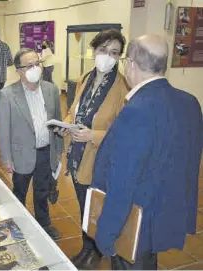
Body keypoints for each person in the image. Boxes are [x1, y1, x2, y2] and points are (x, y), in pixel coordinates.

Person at [91, 34, 203, 270]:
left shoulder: (136, 110)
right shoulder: (190, 102)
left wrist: (106, 234)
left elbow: (122, 181)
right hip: (164, 215)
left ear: (130, 64)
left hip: (134, 222)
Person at [57, 29, 129, 269]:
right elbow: (73, 109)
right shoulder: (85, 78)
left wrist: (93, 135)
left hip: (100, 159)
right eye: (103, 50)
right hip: (78, 156)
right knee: (83, 205)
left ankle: (96, 252)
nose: (107, 56)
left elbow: (124, 131)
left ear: (120, 57)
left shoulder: (122, 88)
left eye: (114, 52)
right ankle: (87, 248)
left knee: (96, 208)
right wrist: (66, 125)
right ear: (94, 50)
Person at [0, 48, 64, 241]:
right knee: (19, 192)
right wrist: (7, 158)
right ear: (19, 70)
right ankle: (16, 224)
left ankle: (44, 224)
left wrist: (58, 148)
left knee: (42, 191)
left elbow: (57, 120)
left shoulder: (51, 90)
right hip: (21, 153)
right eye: (29, 65)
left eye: (37, 63)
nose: (35, 68)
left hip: (45, 151)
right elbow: (3, 129)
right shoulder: (8, 95)